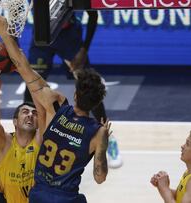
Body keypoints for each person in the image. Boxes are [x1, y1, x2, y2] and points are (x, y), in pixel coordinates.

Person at [0, 10, 111, 203]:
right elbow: (100, 177)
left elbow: (22, 66)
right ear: (97, 102)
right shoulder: (98, 133)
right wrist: (103, 145)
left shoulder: (57, 106)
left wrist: (4, 33)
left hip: (38, 195)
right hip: (67, 198)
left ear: (75, 94)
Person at [26, 11, 123, 169]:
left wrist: (84, 49)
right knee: (31, 84)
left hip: (68, 36)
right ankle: (29, 141)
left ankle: (108, 138)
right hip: (43, 32)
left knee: (88, 86)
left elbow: (93, 15)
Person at [0, 60, 45, 203]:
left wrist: (25, 71)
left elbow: (44, 103)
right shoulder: (5, 144)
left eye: (34, 113)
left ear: (38, 123)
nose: (30, 115)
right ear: (15, 121)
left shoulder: (40, 139)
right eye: (25, 112)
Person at [150, 129, 191, 203]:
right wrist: (160, 185)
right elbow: (180, 196)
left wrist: (165, 189)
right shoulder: (189, 173)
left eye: (187, 144)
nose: (182, 146)